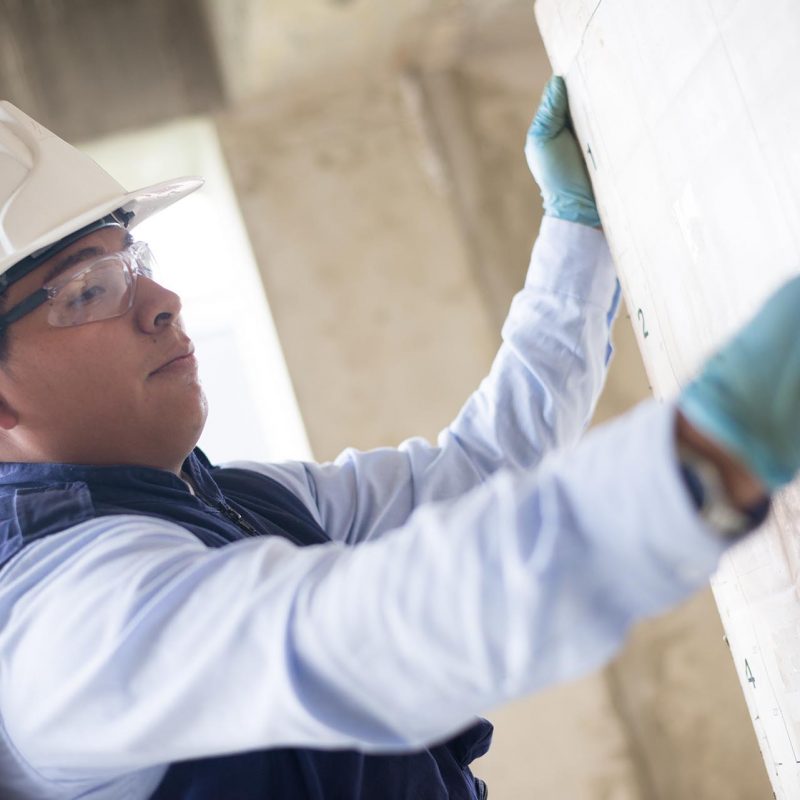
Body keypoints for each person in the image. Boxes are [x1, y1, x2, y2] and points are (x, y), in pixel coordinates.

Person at [0, 75, 794, 800]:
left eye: (135, 261)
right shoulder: (66, 635)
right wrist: (706, 456)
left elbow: (477, 469)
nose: (165, 300)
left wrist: (575, 235)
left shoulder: (230, 500)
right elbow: (370, 635)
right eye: (88, 290)